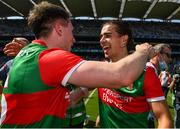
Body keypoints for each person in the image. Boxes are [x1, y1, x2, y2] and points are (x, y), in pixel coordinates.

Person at [0, 2, 154, 128]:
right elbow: (121, 75)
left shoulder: (28, 52)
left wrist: (79, 92)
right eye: (71, 31)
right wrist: (142, 52)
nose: (73, 39)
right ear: (59, 29)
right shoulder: (50, 59)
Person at [97, 21, 173, 128]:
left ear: (124, 40)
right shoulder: (100, 68)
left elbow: (164, 118)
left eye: (107, 36)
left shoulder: (146, 73)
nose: (101, 41)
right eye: (100, 37)